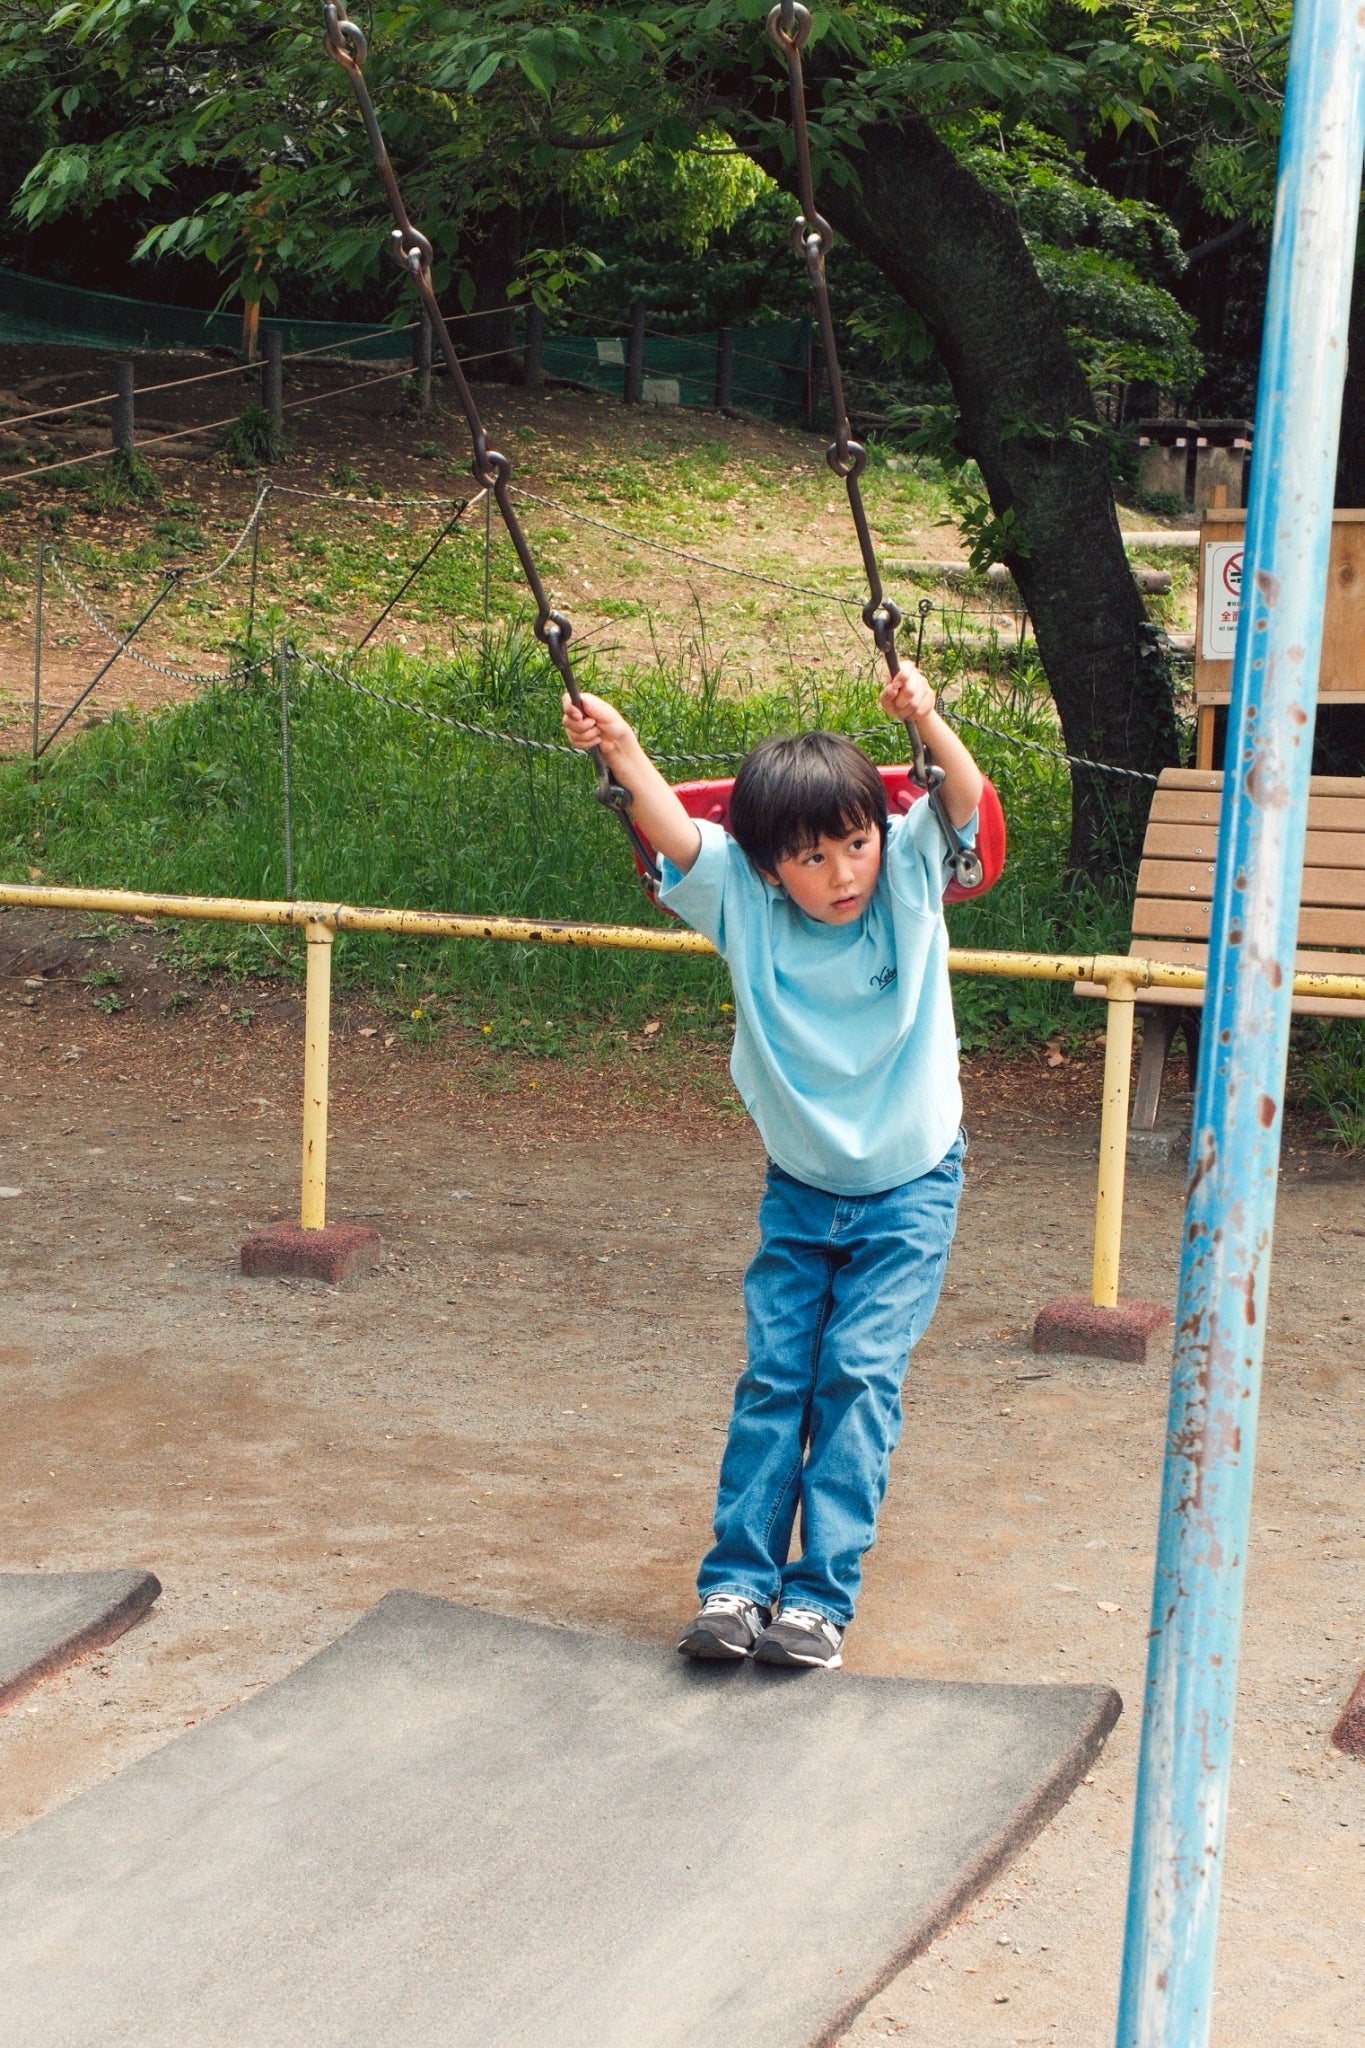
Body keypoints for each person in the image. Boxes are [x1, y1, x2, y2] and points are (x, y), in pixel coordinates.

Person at [562, 661, 984, 1670]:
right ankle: (737, 1585)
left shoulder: (907, 882)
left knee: (857, 1376)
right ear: (765, 866)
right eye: (811, 856)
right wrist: (619, 744)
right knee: (775, 1380)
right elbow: (673, 832)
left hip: (910, 1185)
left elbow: (963, 799)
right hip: (801, 1188)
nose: (843, 873)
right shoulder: (740, 905)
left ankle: (818, 1601)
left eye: (855, 842)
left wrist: (927, 718)